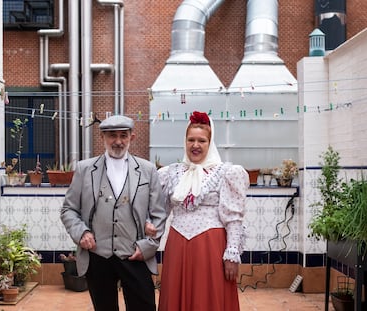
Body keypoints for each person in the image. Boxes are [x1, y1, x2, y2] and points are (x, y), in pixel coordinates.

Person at [60, 115, 167, 311]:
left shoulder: (147, 170)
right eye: (112, 136)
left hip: (135, 253)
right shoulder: (85, 169)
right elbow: (69, 209)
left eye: (123, 136)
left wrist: (148, 246)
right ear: (102, 137)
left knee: (144, 306)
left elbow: (159, 213)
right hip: (98, 255)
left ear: (132, 137)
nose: (118, 141)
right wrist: (81, 232)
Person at [158, 111, 249, 311]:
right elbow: (160, 212)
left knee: (209, 299)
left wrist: (231, 254)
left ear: (210, 143)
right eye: (191, 139)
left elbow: (233, 218)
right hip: (177, 245)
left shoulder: (226, 173)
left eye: (202, 140)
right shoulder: (171, 173)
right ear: (185, 142)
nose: (195, 145)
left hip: (211, 249)